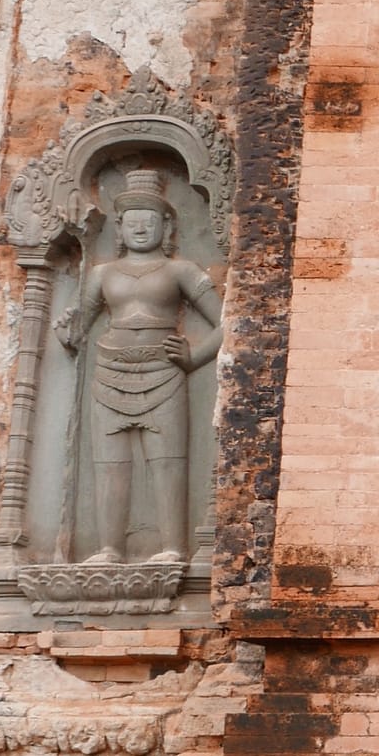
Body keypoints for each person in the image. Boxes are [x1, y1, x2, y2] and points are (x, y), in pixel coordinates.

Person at [57, 168, 223, 564]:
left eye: (149, 220)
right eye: (132, 221)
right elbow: (79, 328)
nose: (140, 228)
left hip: (164, 372)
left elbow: (228, 322)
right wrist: (68, 331)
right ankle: (110, 549)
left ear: (166, 226)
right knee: (109, 465)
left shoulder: (181, 270)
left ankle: (172, 547)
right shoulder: (101, 274)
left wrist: (194, 357)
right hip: (109, 372)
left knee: (167, 463)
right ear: (119, 228)